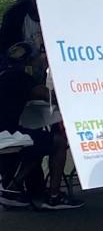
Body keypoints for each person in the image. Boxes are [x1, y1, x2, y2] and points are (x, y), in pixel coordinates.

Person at [0, 41, 81, 210]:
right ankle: (53, 196)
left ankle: (14, 187)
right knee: (56, 141)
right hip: (7, 134)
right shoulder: (20, 76)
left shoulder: (4, 74)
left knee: (38, 139)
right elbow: (49, 97)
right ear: (29, 62)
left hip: (7, 132)